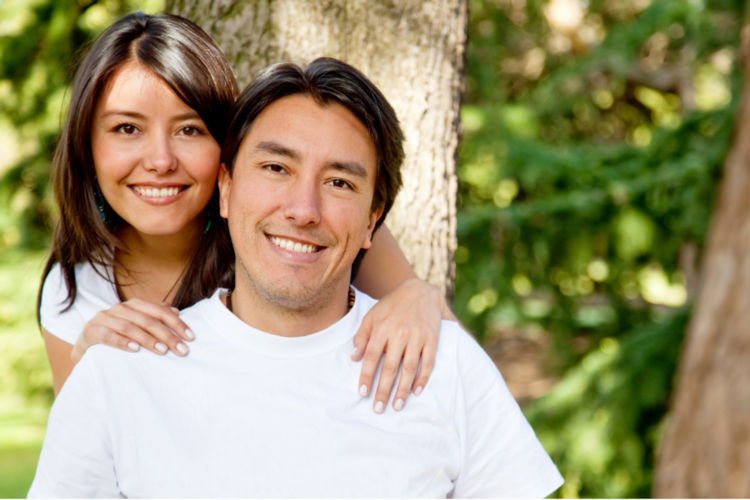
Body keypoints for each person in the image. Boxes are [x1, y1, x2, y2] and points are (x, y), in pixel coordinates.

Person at [29, 57, 563, 498]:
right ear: (227, 187)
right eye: (276, 168)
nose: (303, 209)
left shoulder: (443, 364)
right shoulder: (120, 369)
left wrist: (419, 296)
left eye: (338, 182)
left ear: (372, 220)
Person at [37, 12, 453, 412]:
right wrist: (91, 367)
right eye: (127, 129)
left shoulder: (300, 232)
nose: (160, 160)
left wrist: (421, 298)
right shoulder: (75, 288)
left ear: (228, 152)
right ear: (86, 145)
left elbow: (452, 353)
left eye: (189, 129)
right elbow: (89, 470)